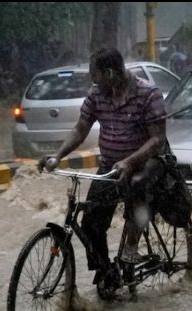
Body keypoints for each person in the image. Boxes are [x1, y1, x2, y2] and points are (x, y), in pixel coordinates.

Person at [38, 48, 167, 293]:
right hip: (110, 166)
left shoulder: (148, 94)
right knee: (91, 223)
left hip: (144, 163)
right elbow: (80, 129)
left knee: (139, 185)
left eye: (94, 75)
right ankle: (106, 270)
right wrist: (57, 156)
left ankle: (131, 245)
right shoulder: (98, 94)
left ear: (109, 73)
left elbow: (157, 140)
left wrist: (129, 161)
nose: (92, 80)